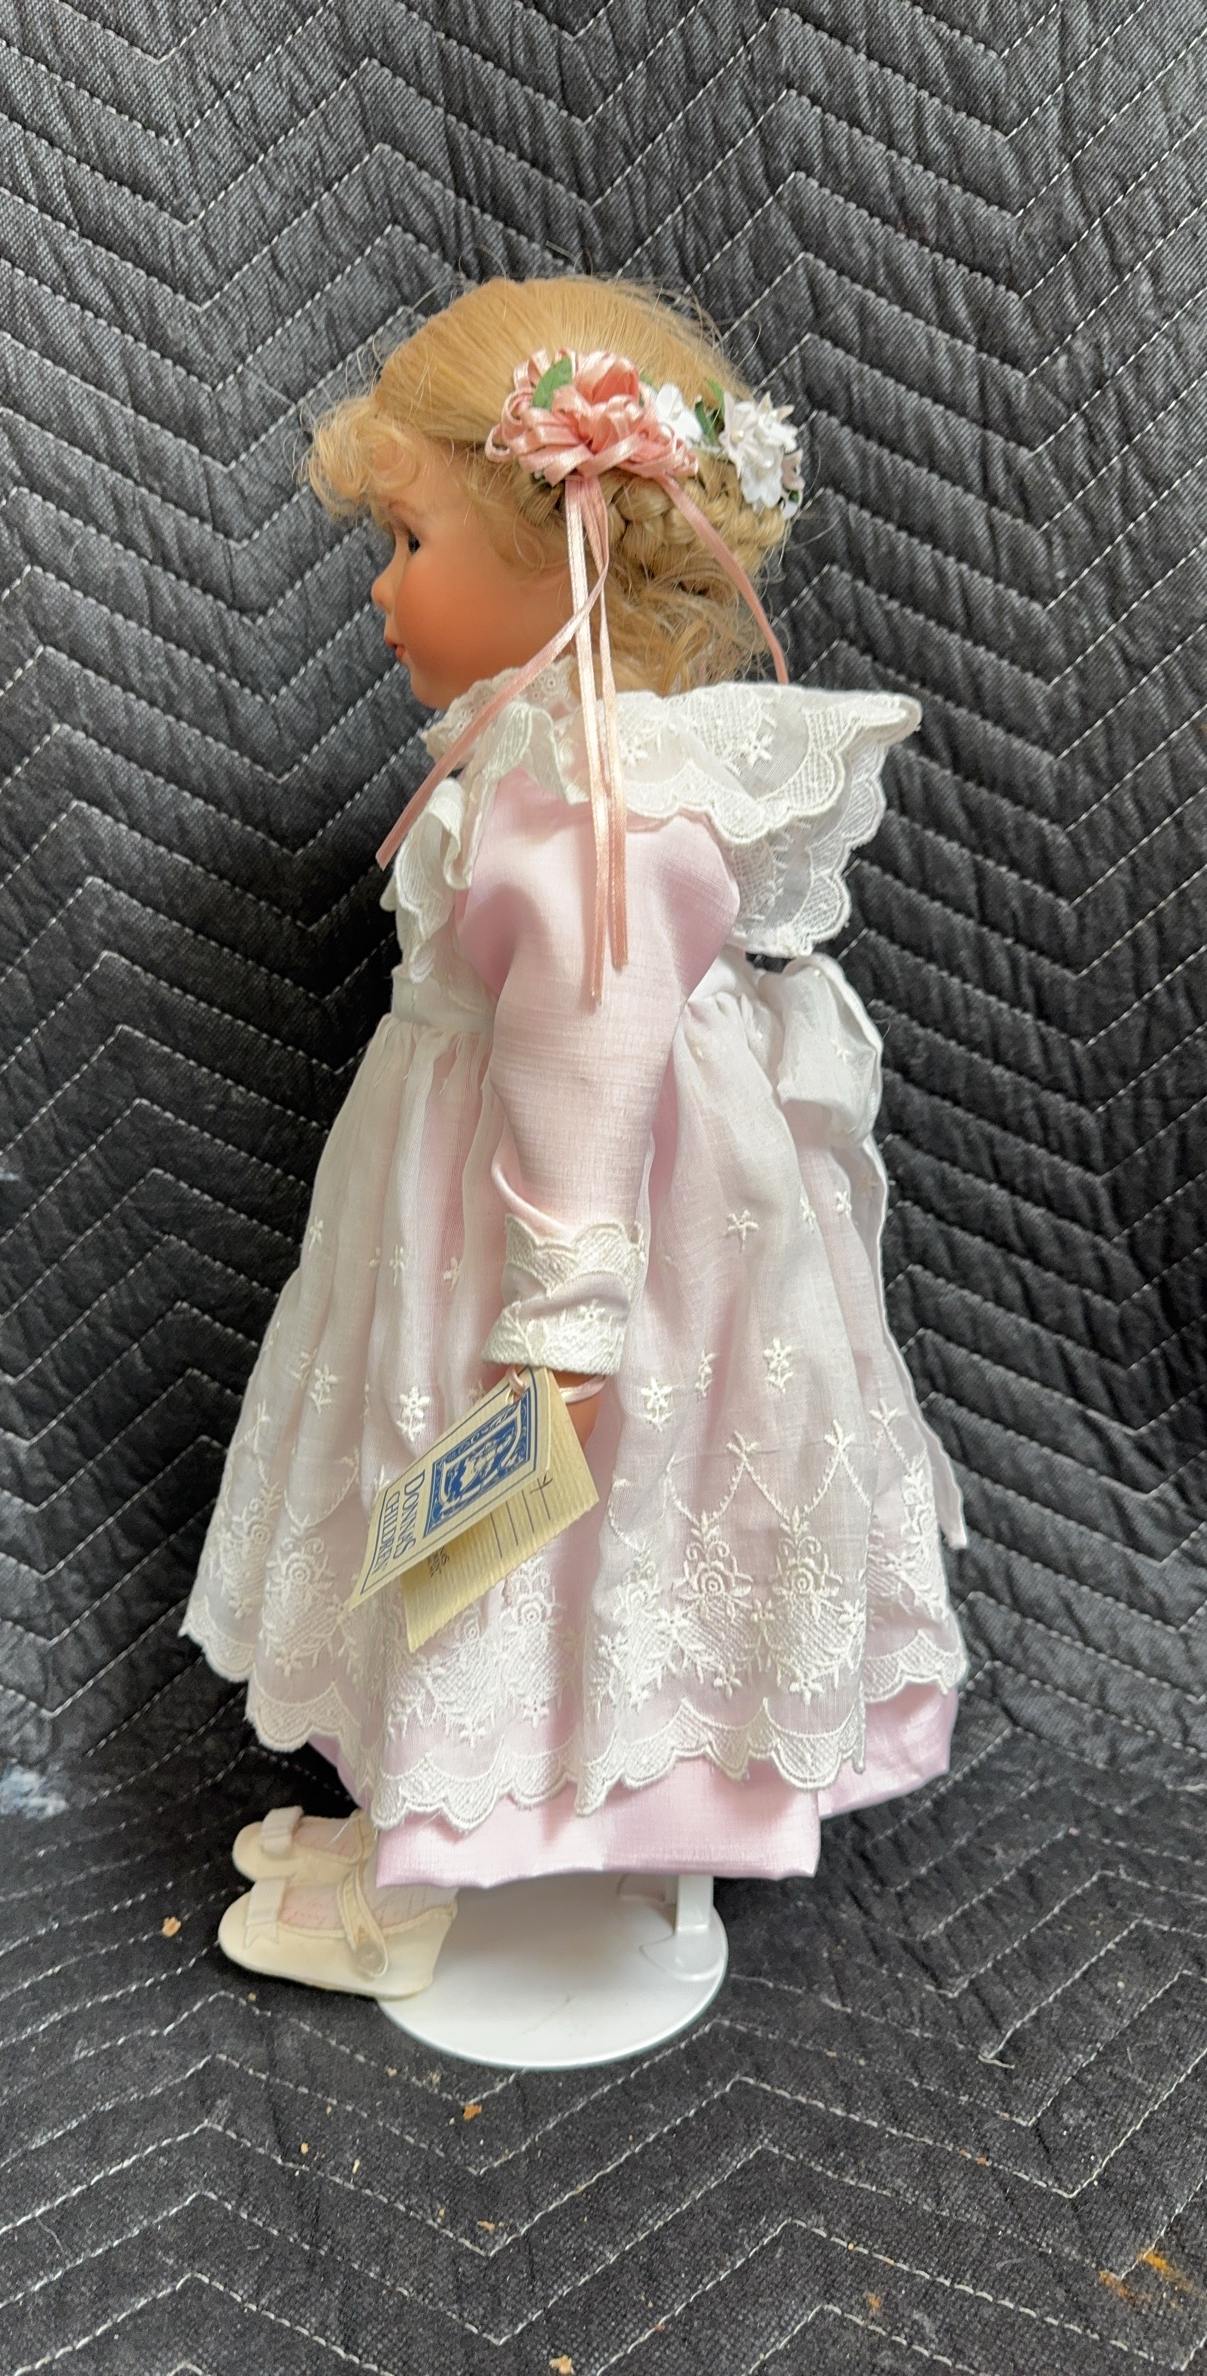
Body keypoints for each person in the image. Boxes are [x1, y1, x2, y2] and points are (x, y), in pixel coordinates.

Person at [181, 276, 968, 1998]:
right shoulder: (549, 767)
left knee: (524, 1520)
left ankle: (447, 1862)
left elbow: (589, 1071)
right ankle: (418, 1809)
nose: (379, 590)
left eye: (405, 543)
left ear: (562, 552)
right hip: (468, 1211)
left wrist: (562, 1329)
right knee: (448, 1515)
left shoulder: (591, 815)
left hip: (559, 1250)